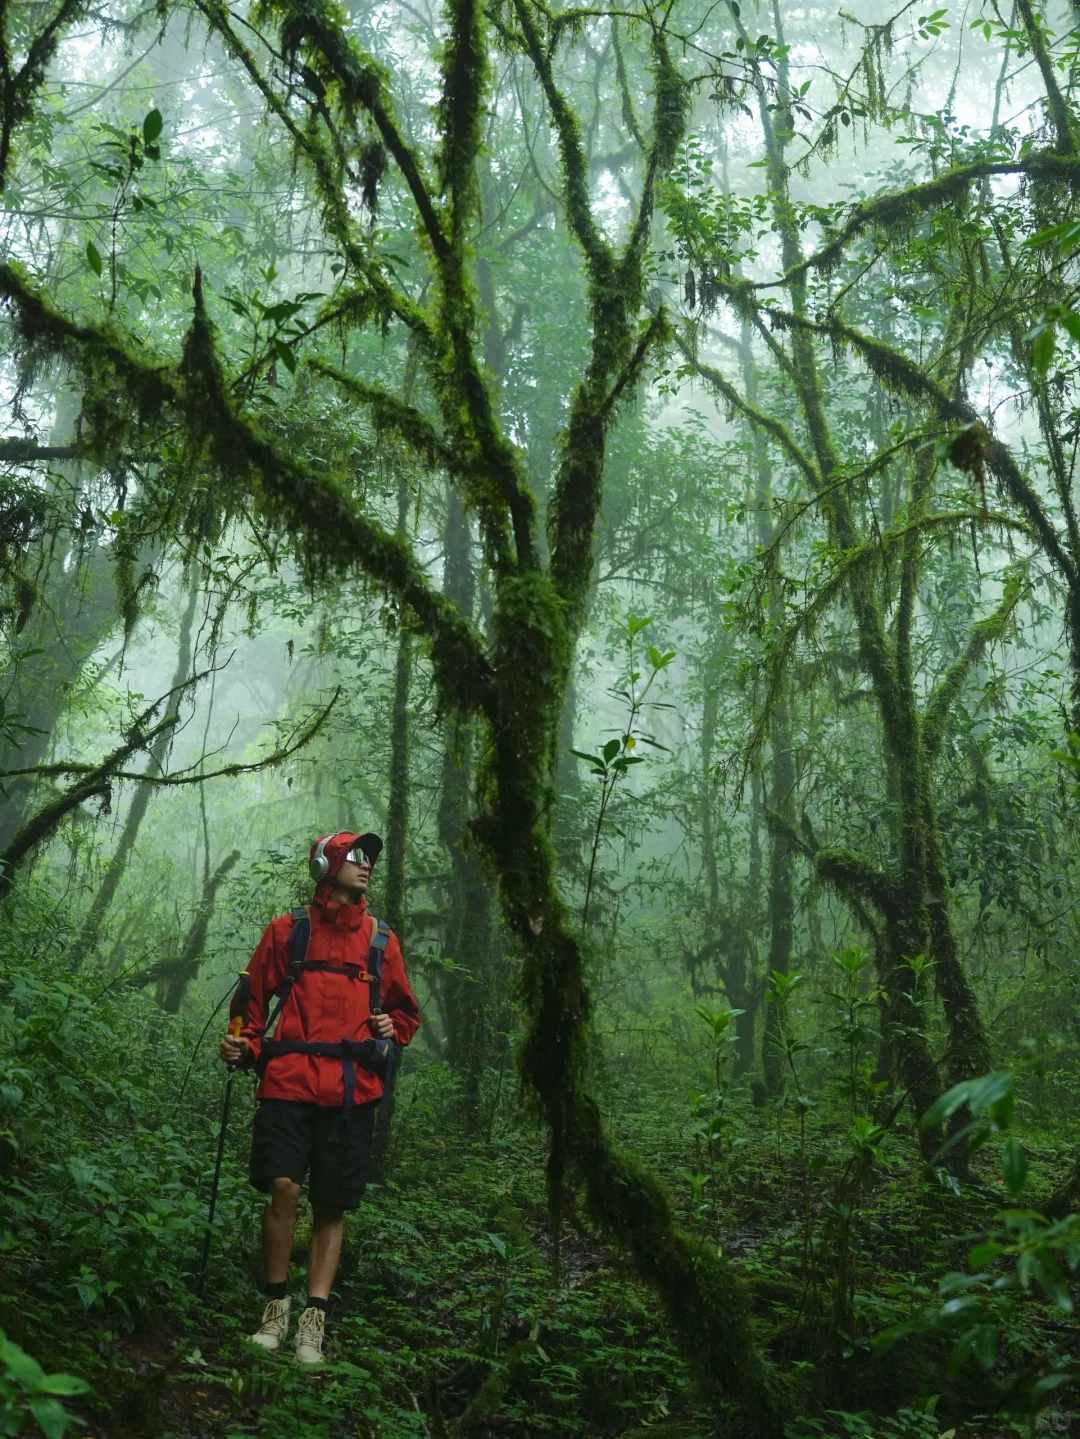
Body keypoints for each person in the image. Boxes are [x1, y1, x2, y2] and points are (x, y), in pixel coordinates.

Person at [219, 829, 420, 1364]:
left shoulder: (381, 940)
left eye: (370, 857)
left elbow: (405, 1013)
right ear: (324, 865)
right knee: (282, 1186)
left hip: (352, 1092)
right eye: (355, 856)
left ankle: (313, 1324)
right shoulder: (289, 931)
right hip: (288, 1080)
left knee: (331, 1206)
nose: (366, 865)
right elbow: (254, 998)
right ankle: (273, 1310)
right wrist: (244, 1043)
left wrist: (388, 1024)